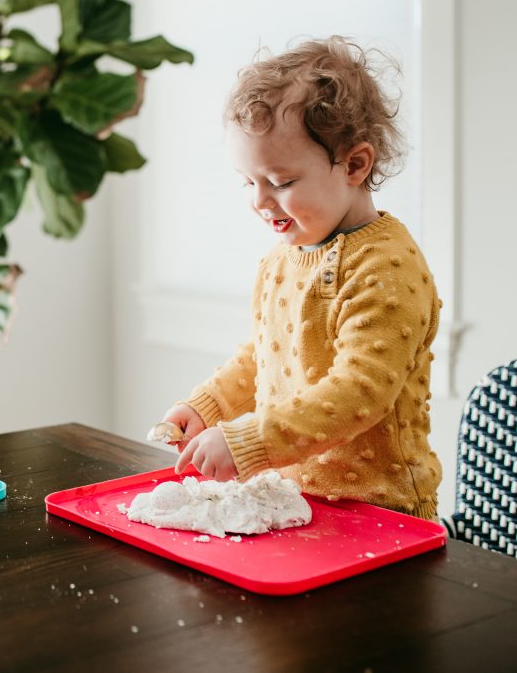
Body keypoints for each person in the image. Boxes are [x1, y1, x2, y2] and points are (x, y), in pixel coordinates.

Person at [163, 37, 442, 520]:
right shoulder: (282, 259)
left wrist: (251, 441)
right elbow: (262, 354)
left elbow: (359, 391)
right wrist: (209, 406)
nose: (259, 200)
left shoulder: (387, 267)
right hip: (294, 504)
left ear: (355, 164)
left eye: (282, 182)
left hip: (383, 516)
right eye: (249, 182)